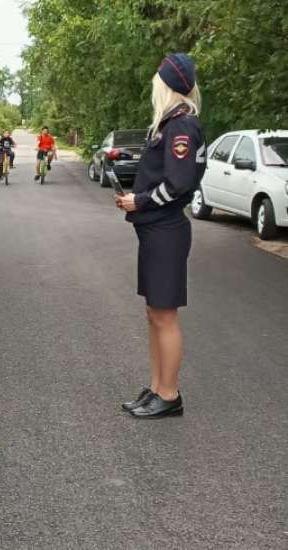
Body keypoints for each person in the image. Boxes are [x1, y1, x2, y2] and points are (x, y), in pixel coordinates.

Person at [115, 53, 205, 419]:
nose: (155, 86)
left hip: (167, 229)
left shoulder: (181, 125)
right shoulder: (170, 124)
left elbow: (180, 183)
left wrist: (141, 200)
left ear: (167, 86)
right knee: (154, 312)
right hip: (155, 230)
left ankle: (169, 395)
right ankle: (156, 387)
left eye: (158, 82)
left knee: (165, 315)